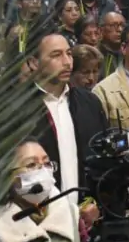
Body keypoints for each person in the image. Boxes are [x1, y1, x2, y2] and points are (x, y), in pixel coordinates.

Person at [25, 28, 108, 197]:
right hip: (39, 211)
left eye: (69, 54)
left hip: (86, 209)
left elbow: (102, 158)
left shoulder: (89, 102)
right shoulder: (18, 109)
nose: (67, 62)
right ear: (34, 63)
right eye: (56, 55)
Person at [97, 11, 126, 76]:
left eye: (123, 25)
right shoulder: (95, 56)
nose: (120, 29)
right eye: (114, 25)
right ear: (101, 30)